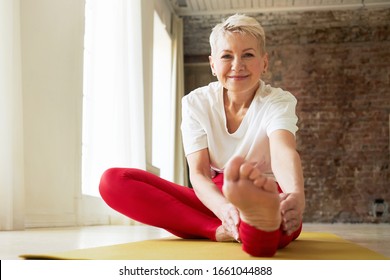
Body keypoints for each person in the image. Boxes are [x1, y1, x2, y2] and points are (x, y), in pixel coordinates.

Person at [99, 14, 305, 257]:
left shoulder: (278, 101)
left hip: (269, 193)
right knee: (112, 181)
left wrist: (295, 196)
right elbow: (198, 173)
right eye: (227, 56)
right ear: (213, 64)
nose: (237, 65)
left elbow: (283, 151)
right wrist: (225, 208)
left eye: (248, 55)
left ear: (264, 62)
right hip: (214, 198)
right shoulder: (196, 103)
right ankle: (224, 228)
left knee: (277, 222)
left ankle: (257, 222)